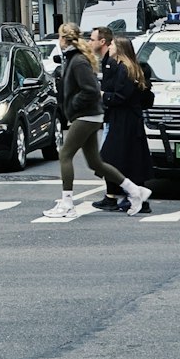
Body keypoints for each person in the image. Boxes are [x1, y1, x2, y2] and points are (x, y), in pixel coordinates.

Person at [44, 22, 153, 220]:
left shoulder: (78, 61)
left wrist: (73, 105)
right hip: (89, 115)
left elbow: (91, 90)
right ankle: (135, 190)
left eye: (60, 37)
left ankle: (67, 202)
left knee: (65, 155)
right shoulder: (74, 58)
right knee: (96, 163)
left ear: (64, 39)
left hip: (86, 115)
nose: (58, 41)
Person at [93, 35, 154, 213]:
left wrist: (104, 96)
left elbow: (121, 96)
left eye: (112, 45)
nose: (109, 47)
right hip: (127, 120)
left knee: (112, 159)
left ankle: (131, 197)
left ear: (119, 48)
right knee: (129, 159)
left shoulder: (125, 69)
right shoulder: (128, 67)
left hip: (125, 121)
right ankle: (129, 197)